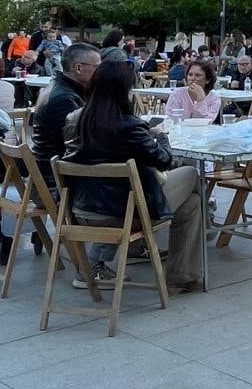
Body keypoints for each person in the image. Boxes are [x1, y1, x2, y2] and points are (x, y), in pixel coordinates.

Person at [63, 61, 206, 293]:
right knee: (191, 174)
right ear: (123, 91)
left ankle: (178, 271)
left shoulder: (73, 119)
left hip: (80, 207)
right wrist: (160, 136)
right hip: (122, 212)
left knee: (191, 204)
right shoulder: (128, 126)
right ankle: (180, 275)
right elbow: (164, 160)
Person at [32, 43, 102, 194]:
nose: (101, 73)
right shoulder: (65, 98)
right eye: (97, 67)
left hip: (48, 174)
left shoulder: (59, 87)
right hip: (56, 182)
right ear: (78, 68)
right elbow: (80, 143)